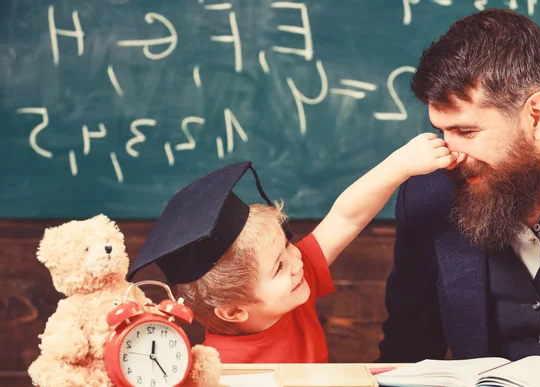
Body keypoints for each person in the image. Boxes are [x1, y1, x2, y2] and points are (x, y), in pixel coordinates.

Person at [377, 8, 540, 375]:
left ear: (536, 116)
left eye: (466, 132)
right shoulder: (424, 198)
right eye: (441, 131)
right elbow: (406, 355)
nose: (449, 154)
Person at [126, 133, 458, 363]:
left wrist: (400, 165)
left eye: (287, 244)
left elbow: (346, 216)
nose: (296, 259)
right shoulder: (221, 368)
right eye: (278, 267)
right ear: (234, 310)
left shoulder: (292, 284)